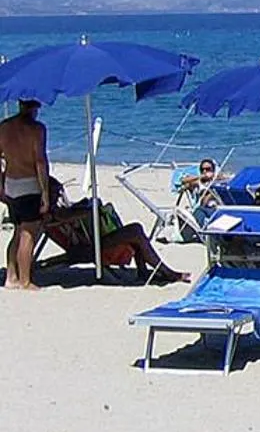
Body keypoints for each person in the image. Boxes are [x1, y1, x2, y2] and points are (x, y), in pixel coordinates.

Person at [40, 180, 188, 284]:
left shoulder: (56, 212)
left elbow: (75, 214)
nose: (59, 196)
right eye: (56, 193)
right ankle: (166, 272)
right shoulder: (53, 214)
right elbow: (72, 215)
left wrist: (84, 206)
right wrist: (88, 209)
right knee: (135, 230)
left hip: (92, 243)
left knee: (135, 231)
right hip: (89, 249)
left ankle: (148, 272)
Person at [1, 98, 52, 290]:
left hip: (11, 183)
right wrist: (45, 192)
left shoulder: (4, 126)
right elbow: (40, 161)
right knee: (28, 233)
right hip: (28, 183)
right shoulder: (37, 129)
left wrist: (1, 185)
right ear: (36, 107)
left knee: (17, 230)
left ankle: (11, 276)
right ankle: (25, 280)